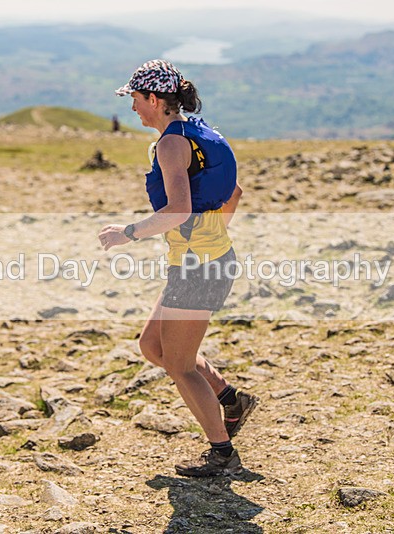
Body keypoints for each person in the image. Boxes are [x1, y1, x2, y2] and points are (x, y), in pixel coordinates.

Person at [98, 59, 259, 477]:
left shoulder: (171, 145)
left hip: (198, 269)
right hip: (203, 262)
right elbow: (234, 192)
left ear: (154, 99)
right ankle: (230, 398)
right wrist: (208, 236)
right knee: (153, 347)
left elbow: (179, 209)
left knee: (179, 366)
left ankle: (222, 453)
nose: (132, 107)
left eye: (134, 98)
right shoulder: (200, 134)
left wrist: (128, 232)